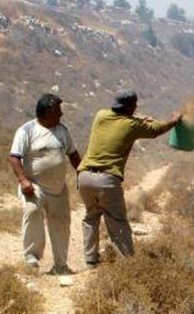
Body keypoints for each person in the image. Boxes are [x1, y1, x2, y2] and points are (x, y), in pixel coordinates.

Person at [77, 90, 181, 267]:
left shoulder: (101, 115)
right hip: (107, 179)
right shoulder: (132, 125)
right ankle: (128, 265)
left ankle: (90, 261)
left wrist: (138, 117)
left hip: (85, 176)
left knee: (91, 217)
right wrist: (173, 120)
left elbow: (128, 118)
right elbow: (157, 129)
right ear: (132, 106)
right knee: (117, 220)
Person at [8, 94, 81, 274]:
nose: (61, 114)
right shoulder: (26, 131)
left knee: (62, 222)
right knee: (32, 212)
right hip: (34, 185)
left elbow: (73, 154)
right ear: (47, 112)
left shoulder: (63, 131)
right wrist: (23, 180)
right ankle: (31, 257)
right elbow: (14, 157)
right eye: (57, 111)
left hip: (58, 187)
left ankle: (61, 265)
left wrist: (82, 173)